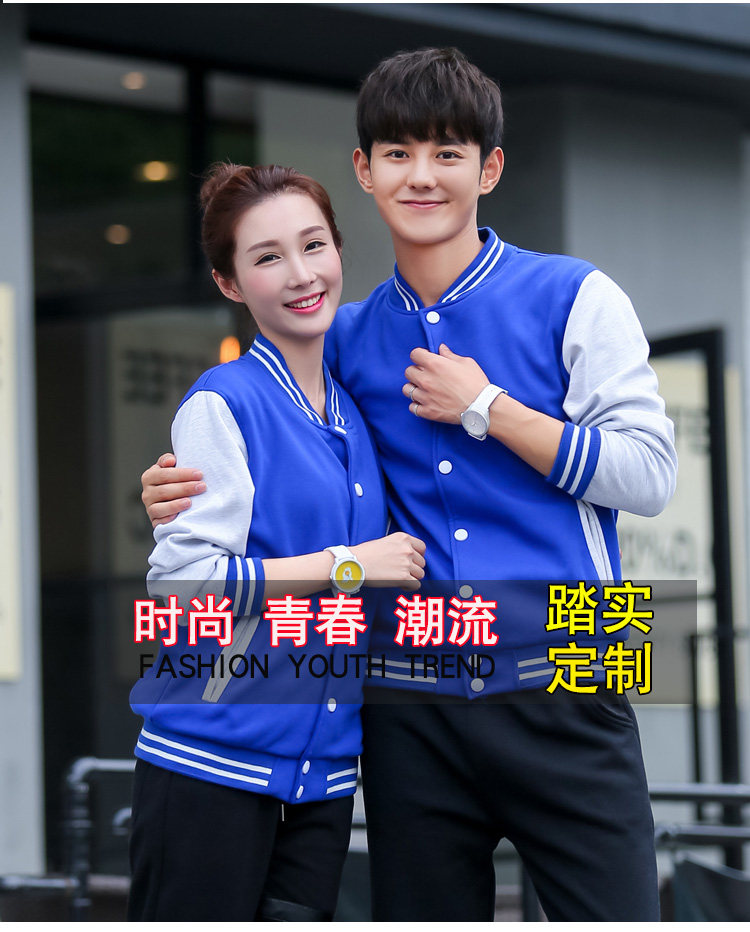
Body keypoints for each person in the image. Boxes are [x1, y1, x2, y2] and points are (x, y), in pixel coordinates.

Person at [141, 49, 677, 921]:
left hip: (567, 682)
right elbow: (269, 441)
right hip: (408, 709)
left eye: (447, 153)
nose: (421, 176)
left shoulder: (575, 296)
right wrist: (175, 488)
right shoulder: (344, 339)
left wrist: (489, 407)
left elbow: (649, 474)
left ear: (488, 169)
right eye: (398, 153)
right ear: (365, 170)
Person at [128, 162, 426, 922]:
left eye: (313, 245)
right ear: (230, 283)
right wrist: (348, 567)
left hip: (321, 777)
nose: (301, 274)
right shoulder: (223, 404)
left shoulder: (354, 413)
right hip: (210, 760)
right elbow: (184, 585)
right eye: (267, 257)